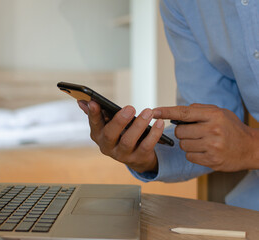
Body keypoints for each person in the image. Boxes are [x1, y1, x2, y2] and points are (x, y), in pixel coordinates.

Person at [78, 0, 259, 211]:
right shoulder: (181, 4)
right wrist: (147, 155)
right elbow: (207, 131)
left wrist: (250, 147)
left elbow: (243, 145)